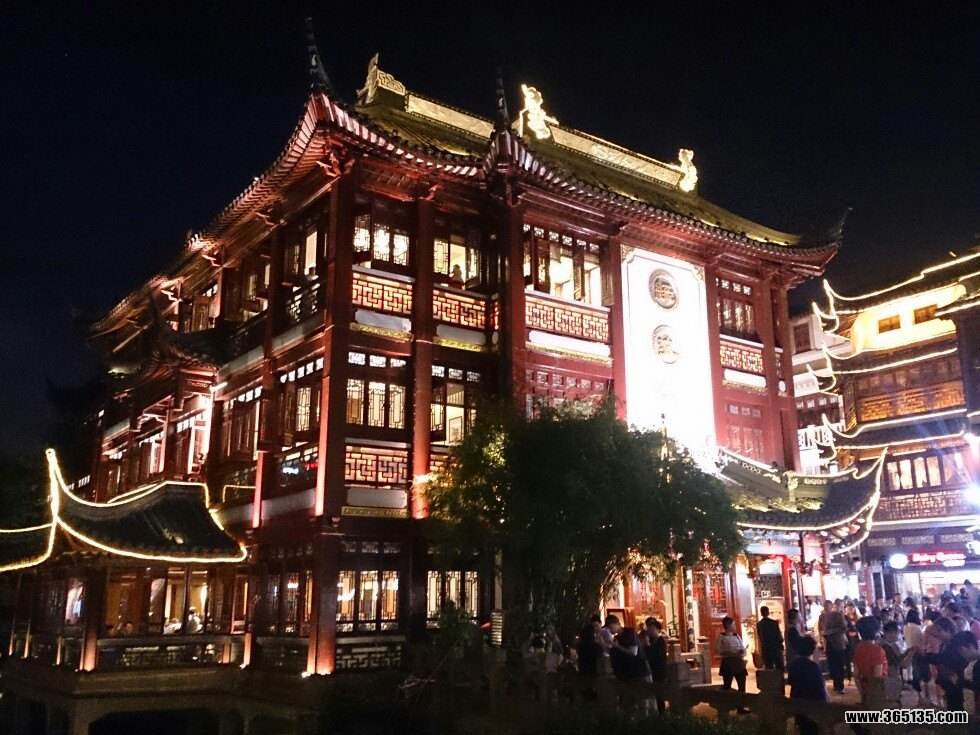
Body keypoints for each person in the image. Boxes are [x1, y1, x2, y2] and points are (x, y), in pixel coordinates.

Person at [787, 636, 826, 735]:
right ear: (812, 650)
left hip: (797, 699)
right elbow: (819, 687)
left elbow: (790, 681)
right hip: (812, 703)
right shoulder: (813, 666)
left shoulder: (794, 664)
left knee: (803, 727)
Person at [935, 630, 979, 711]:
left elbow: (977, 687)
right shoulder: (973, 663)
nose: (962, 655)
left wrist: (959, 681)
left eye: (961, 651)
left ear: (970, 646)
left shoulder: (977, 665)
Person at [852, 615, 887, 706]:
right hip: (878, 692)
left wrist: (863, 693)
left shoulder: (858, 649)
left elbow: (856, 674)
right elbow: (877, 677)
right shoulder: (878, 650)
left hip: (864, 689)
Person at [718, 616, 750, 714]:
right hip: (728, 663)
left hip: (738, 663)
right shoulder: (721, 637)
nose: (735, 626)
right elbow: (719, 650)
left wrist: (742, 651)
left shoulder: (736, 636)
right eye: (733, 624)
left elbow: (742, 647)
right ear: (728, 625)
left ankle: (741, 707)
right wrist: (732, 653)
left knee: (742, 686)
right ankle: (726, 707)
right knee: (727, 686)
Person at [818, 599, 847, 693]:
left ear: (831, 606)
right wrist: (822, 638)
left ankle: (840, 685)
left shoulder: (838, 615)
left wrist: (830, 632)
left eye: (828, 606)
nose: (826, 608)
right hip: (828, 643)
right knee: (832, 664)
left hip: (838, 643)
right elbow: (820, 629)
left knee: (839, 664)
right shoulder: (822, 617)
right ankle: (836, 683)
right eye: (825, 606)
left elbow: (843, 628)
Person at [643, 617, 668, 714]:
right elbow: (645, 654)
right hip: (650, 669)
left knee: (659, 693)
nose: (650, 631)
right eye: (649, 629)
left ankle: (662, 713)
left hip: (660, 669)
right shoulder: (649, 640)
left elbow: (657, 654)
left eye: (652, 629)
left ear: (658, 630)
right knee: (652, 692)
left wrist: (648, 645)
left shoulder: (661, 641)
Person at [756, 606, 784, 670]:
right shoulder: (773, 623)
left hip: (766, 649)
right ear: (768, 612)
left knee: (768, 667)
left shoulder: (759, 624)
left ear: (761, 613)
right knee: (779, 666)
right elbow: (778, 635)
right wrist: (781, 643)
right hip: (775, 647)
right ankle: (779, 676)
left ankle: (771, 676)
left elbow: (760, 637)